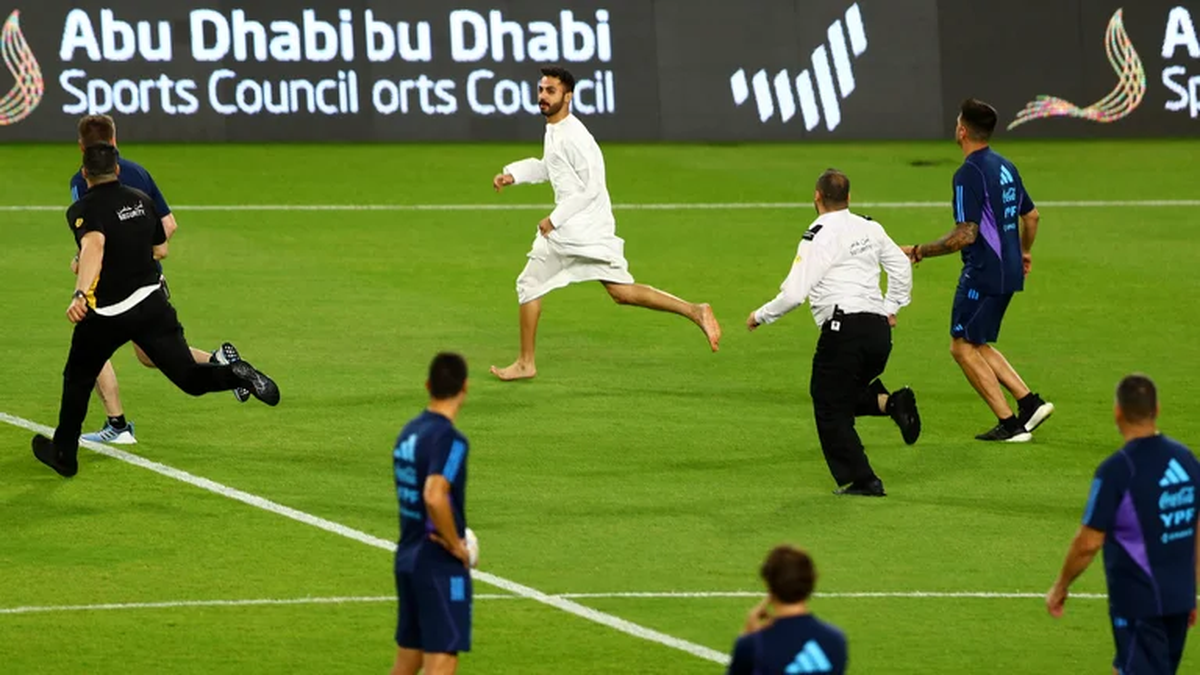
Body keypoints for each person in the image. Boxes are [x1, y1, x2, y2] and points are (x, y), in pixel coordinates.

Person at [31, 143, 279, 478]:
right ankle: (236, 374)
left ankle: (64, 454)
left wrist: (80, 293)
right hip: (152, 304)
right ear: (118, 170)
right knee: (189, 377)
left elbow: (94, 246)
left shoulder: (83, 208)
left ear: (85, 173)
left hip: (109, 313)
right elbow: (161, 247)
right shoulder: (140, 199)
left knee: (78, 377)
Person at [489, 65, 721, 381]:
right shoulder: (556, 130)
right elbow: (550, 167)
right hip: (586, 229)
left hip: (576, 229)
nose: (543, 96)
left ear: (568, 97)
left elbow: (591, 189)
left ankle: (526, 363)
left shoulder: (575, 137)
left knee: (529, 284)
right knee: (621, 292)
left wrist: (554, 220)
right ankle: (695, 310)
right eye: (541, 89)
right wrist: (513, 174)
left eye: (551, 91)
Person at [70, 114, 249, 446]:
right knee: (149, 355)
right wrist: (140, 250)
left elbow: (95, 240)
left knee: (89, 349)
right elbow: (168, 226)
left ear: (82, 147)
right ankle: (219, 363)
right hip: (148, 282)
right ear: (114, 140)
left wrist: (83, 266)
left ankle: (117, 425)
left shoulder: (82, 181)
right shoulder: (137, 172)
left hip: (111, 286)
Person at [747, 169, 920, 497]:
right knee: (838, 395)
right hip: (878, 334)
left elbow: (794, 294)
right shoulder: (870, 227)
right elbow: (900, 265)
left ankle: (864, 480)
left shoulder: (818, 235)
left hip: (844, 331)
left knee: (829, 404)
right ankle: (891, 403)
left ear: (817, 196)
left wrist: (761, 315)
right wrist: (890, 307)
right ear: (848, 198)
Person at [902, 98, 1053, 443]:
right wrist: (1024, 251)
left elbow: (965, 235)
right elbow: (1031, 216)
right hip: (1009, 268)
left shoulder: (968, 173)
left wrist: (920, 251)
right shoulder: (1005, 166)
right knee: (975, 341)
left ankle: (1010, 425)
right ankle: (1029, 403)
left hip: (984, 270)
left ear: (962, 130)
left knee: (960, 346)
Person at [1047, 374, 1199, 674]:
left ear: (1118, 412)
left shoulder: (1118, 471)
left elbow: (1089, 543)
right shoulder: (1185, 459)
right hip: (1178, 598)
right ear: (1157, 409)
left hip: (1140, 601)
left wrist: (1061, 586)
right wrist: (1189, 589)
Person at [391, 352, 475, 675]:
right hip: (439, 566)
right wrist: (456, 546)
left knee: (407, 663)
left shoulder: (408, 434)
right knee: (442, 661)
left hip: (407, 558)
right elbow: (434, 495)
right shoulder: (451, 441)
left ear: (428, 385)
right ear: (465, 387)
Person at [726, 544, 847, 675]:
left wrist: (748, 634)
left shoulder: (753, 645)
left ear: (768, 584)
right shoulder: (835, 640)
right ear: (813, 581)